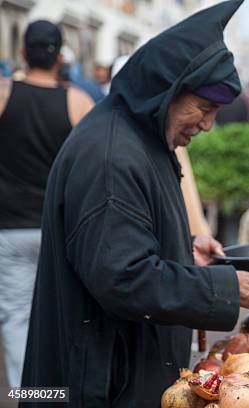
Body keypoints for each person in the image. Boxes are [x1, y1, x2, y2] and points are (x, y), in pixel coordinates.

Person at [20, 1, 249, 406]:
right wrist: (229, 285)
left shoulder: (143, 134)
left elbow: (128, 234)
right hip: (101, 384)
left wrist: (182, 246)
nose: (208, 124)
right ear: (167, 90)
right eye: (205, 108)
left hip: (124, 366)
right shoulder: (111, 157)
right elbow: (123, 277)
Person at [0, 20, 94, 388]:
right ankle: (64, 390)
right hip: (61, 229)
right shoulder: (78, 102)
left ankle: (35, 397)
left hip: (9, 228)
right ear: (60, 56)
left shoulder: (4, 95)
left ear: (23, 52)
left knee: (17, 317)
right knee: (63, 315)